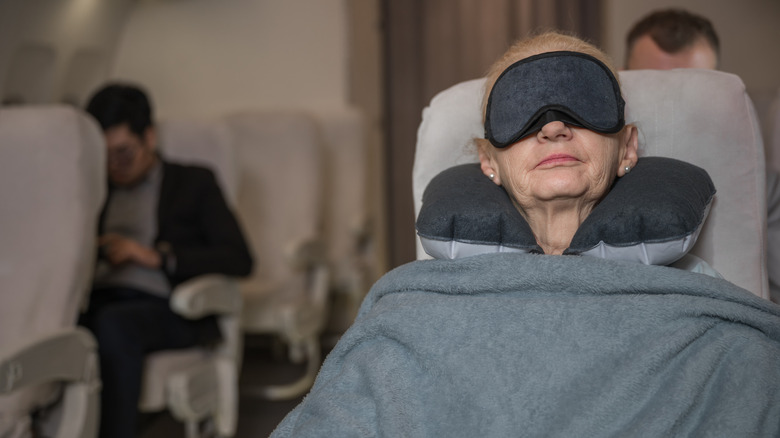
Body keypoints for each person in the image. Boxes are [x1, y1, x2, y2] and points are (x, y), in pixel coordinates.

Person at [270, 32, 780, 437]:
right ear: (488, 163)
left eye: (582, 101)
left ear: (628, 149)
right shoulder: (411, 316)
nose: (553, 127)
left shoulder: (713, 323)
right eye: (523, 107)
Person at [79, 83, 253, 438]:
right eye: (105, 156)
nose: (115, 167)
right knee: (68, 330)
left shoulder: (194, 182)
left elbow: (240, 259)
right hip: (101, 297)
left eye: (124, 153)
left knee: (114, 325)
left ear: (150, 137)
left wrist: (155, 257)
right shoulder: (92, 191)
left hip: (169, 307)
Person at [625, 8, 780, 303]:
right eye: (652, 83)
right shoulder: (587, 175)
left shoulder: (765, 192)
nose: (670, 106)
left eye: (693, 84)